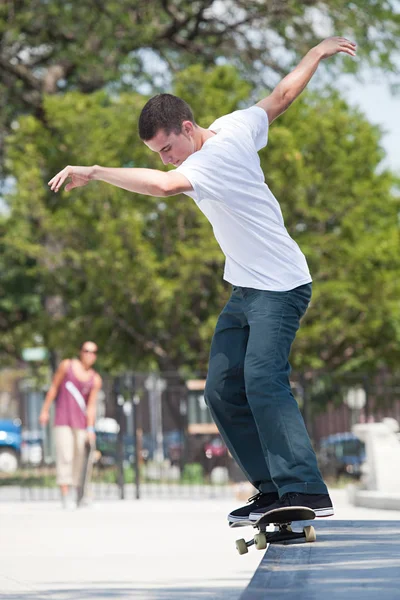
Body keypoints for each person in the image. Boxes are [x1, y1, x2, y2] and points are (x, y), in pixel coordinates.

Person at [48, 37, 356, 521]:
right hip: (246, 288)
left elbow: (164, 187)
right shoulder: (235, 126)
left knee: (262, 379)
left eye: (169, 147)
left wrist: (96, 170)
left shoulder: (212, 159)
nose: (168, 159)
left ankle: (305, 489)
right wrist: (315, 53)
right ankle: (274, 489)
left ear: (187, 128)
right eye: (158, 152)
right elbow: (279, 98)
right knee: (218, 388)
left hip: (282, 286)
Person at [39, 341, 102, 508]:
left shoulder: (95, 379)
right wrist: (44, 410)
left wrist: (90, 427)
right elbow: (53, 387)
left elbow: (91, 405)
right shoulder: (67, 366)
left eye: (93, 352)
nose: (89, 354)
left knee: (80, 457)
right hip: (63, 420)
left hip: (81, 423)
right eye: (86, 350)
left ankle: (77, 492)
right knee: (65, 455)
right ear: (80, 352)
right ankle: (65, 493)